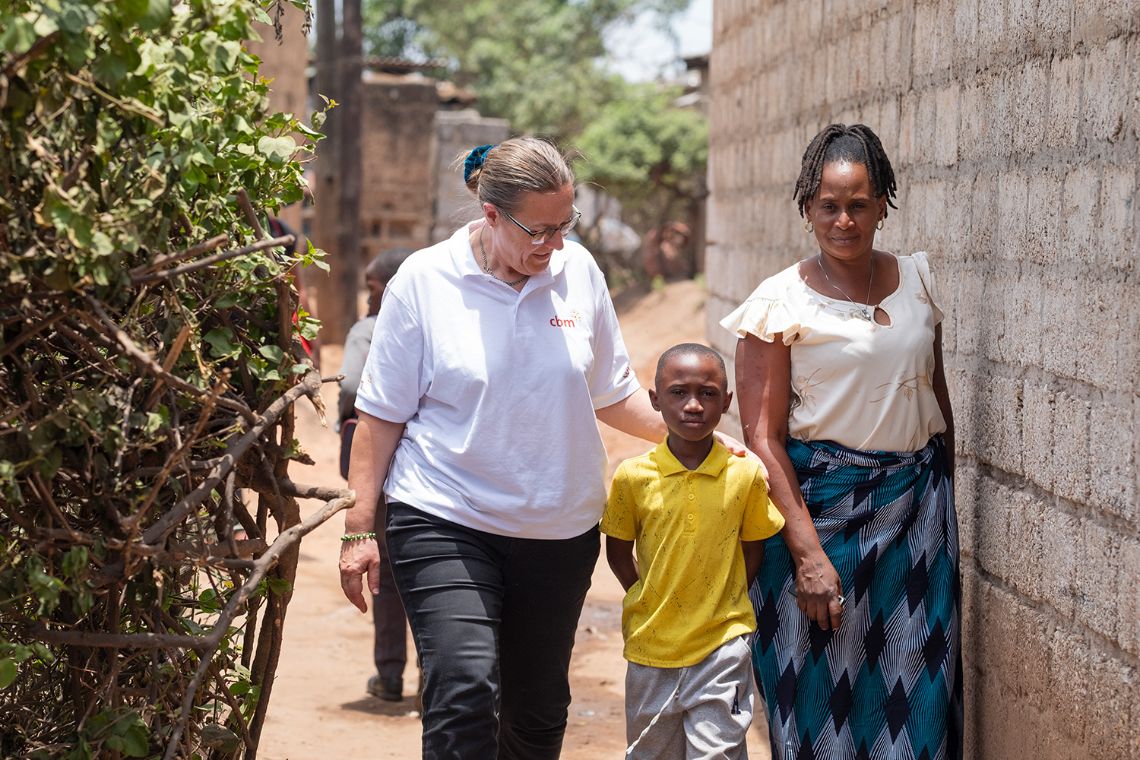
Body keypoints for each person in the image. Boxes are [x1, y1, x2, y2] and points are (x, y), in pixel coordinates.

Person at [337, 137, 748, 759]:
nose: (554, 245)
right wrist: (358, 528)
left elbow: (611, 392)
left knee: (536, 714)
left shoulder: (578, 272)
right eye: (539, 230)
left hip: (558, 529)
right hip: (446, 516)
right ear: (491, 214)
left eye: (565, 226)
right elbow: (379, 417)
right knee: (464, 688)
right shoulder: (424, 281)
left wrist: (705, 440)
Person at [720, 123, 962, 759]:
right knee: (819, 696)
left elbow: (936, 403)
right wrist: (806, 554)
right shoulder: (778, 302)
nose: (844, 220)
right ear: (807, 209)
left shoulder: (917, 281)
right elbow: (762, 439)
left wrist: (940, 513)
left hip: (917, 520)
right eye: (828, 205)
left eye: (859, 204)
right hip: (817, 516)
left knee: (917, 693)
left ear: (884, 202)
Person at [601, 343, 784, 759]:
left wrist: (725, 597)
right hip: (652, 645)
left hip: (722, 643)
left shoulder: (745, 474)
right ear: (655, 400)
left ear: (727, 403)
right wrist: (644, 595)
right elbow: (617, 551)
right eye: (679, 392)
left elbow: (753, 551)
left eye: (708, 393)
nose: (694, 405)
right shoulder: (633, 476)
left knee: (717, 752)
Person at [336, 249, 413, 702]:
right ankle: (435, 681)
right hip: (429, 469)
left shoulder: (370, 330)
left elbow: (348, 385)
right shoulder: (434, 328)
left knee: (383, 567)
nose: (370, 296)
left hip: (380, 465)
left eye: (373, 287)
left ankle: (389, 676)